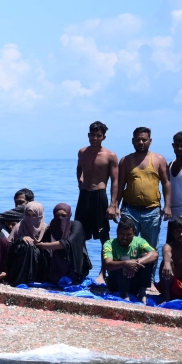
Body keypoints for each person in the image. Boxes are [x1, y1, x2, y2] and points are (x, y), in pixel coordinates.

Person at [110, 127, 172, 257]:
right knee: (126, 245)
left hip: (152, 211)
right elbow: (120, 185)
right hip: (130, 210)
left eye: (144, 139)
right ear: (133, 141)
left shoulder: (159, 159)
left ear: (150, 141)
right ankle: (127, 275)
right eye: (138, 140)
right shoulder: (125, 161)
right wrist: (115, 205)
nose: (141, 142)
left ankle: (148, 278)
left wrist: (167, 206)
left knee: (150, 248)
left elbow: (166, 183)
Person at [75, 121, 120, 285]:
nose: (95, 138)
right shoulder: (82, 152)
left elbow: (115, 181)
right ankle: (81, 269)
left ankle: (103, 272)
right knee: (79, 235)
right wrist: (80, 181)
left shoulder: (110, 155)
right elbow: (79, 168)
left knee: (104, 237)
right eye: (92, 135)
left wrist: (113, 205)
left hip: (100, 197)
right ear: (88, 135)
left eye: (98, 135)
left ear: (103, 137)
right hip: (84, 196)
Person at [102, 216, 158, 303]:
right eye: (122, 234)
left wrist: (137, 262)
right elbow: (108, 264)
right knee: (125, 258)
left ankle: (142, 293)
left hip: (134, 282)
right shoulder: (109, 244)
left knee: (146, 256)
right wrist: (125, 263)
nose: (124, 237)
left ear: (134, 233)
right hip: (116, 283)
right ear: (117, 232)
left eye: (128, 234)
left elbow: (154, 254)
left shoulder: (139, 241)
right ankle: (124, 295)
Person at [37, 203, 92, 285]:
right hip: (54, 264)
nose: (60, 218)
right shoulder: (52, 227)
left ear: (69, 215)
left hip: (73, 264)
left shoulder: (76, 225)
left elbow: (67, 243)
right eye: (57, 215)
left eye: (63, 215)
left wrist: (44, 246)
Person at [5, 202, 50, 286]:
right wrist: (21, 239)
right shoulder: (19, 227)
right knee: (26, 246)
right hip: (20, 262)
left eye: (34, 215)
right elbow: (8, 246)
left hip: (38, 263)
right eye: (28, 215)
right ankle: (21, 278)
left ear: (40, 216)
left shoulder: (45, 228)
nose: (30, 218)